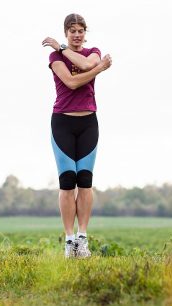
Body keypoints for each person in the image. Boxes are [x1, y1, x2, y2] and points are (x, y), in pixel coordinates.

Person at [42, 13, 112, 258]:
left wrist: (95, 65)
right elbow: (72, 82)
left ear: (85, 33)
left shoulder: (93, 50)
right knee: (67, 180)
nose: (76, 34)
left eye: (80, 30)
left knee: (85, 179)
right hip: (62, 122)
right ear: (66, 33)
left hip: (88, 123)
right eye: (72, 30)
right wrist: (100, 69)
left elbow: (85, 64)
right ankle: (69, 240)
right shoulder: (55, 56)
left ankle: (82, 238)